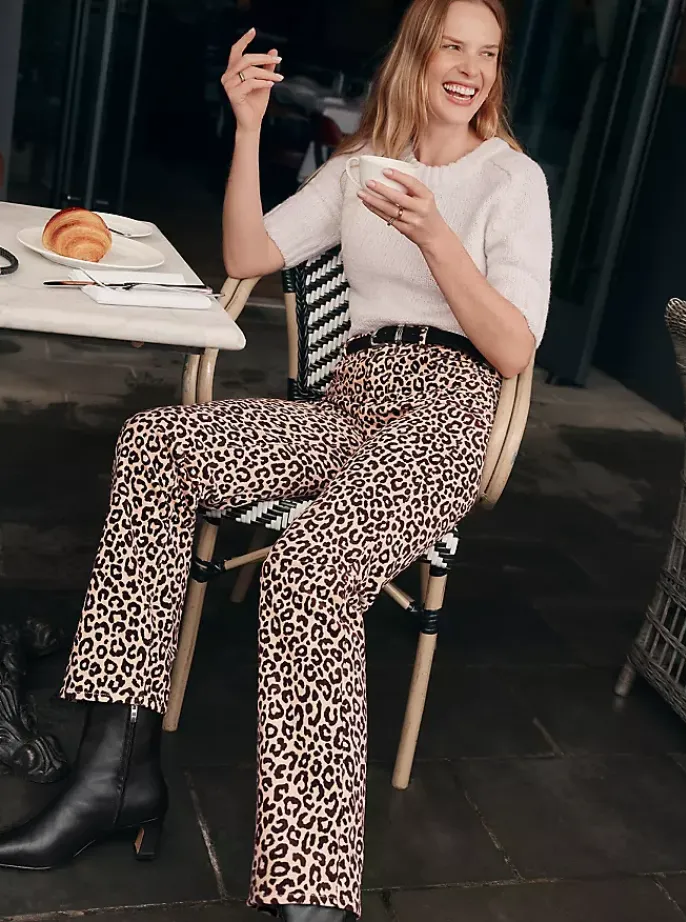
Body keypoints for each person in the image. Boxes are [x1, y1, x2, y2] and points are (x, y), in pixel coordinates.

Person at [0, 1, 552, 919]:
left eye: (487, 54)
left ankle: (312, 896)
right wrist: (250, 128)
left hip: (450, 410)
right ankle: (114, 777)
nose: (470, 68)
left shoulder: (512, 180)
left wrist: (436, 236)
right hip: (352, 397)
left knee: (308, 571)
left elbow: (514, 347)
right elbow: (247, 250)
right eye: (453, 46)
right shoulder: (360, 166)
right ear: (416, 54)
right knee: (157, 446)